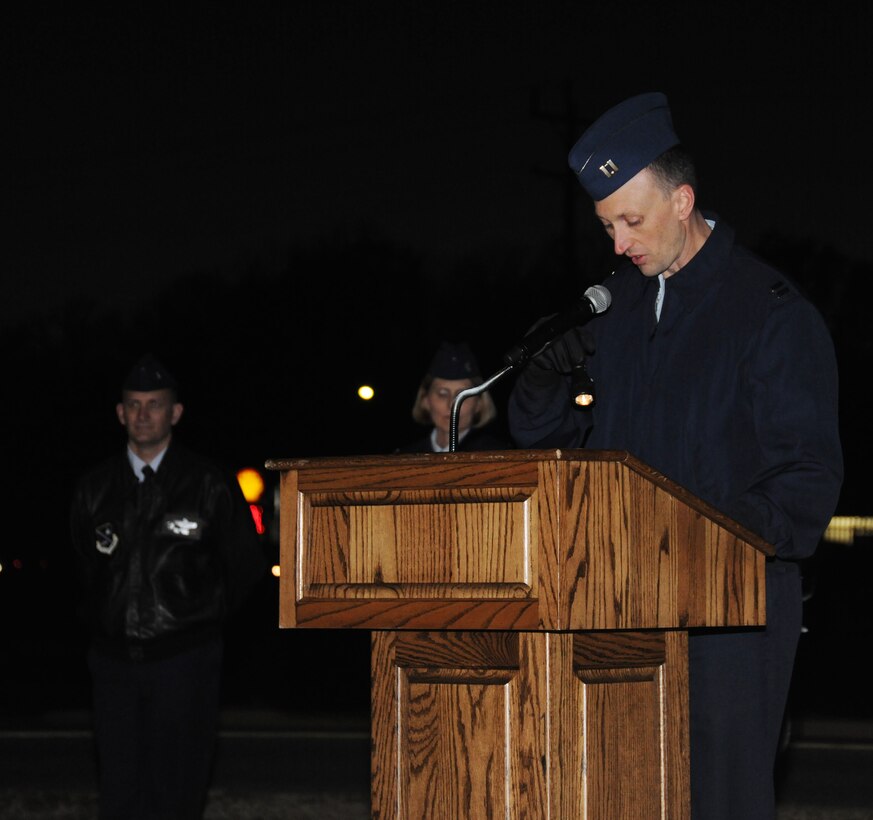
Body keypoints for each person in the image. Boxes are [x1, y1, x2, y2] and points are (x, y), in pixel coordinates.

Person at [507, 92, 843, 819]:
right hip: (619, 602)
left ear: (683, 199)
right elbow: (564, 454)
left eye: (632, 220)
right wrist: (539, 379)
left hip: (728, 616)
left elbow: (805, 482)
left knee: (717, 801)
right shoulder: (619, 311)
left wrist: (684, 535)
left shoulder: (770, 311)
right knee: (621, 795)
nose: (618, 243)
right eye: (606, 226)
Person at [69, 353, 267, 820]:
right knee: (120, 792)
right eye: (133, 404)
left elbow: (245, 566)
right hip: (114, 667)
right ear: (120, 413)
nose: (142, 415)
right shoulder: (94, 487)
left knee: (177, 792)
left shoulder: (207, 483)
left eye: (154, 404)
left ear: (175, 412)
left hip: (185, 665)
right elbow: (79, 569)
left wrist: (199, 622)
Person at [395, 340, 511, 453]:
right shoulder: (403, 459)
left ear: (479, 403)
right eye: (442, 394)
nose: (452, 404)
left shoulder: (497, 456)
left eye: (463, 395)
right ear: (425, 400)